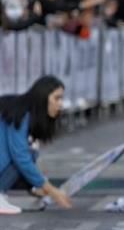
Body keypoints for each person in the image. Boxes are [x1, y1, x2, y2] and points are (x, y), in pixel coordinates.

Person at [0, 76, 73, 214]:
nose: (61, 104)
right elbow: (20, 157)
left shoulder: (22, 110)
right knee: (25, 156)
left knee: (30, 157)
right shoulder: (21, 114)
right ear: (43, 97)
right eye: (57, 98)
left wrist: (39, 185)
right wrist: (52, 191)